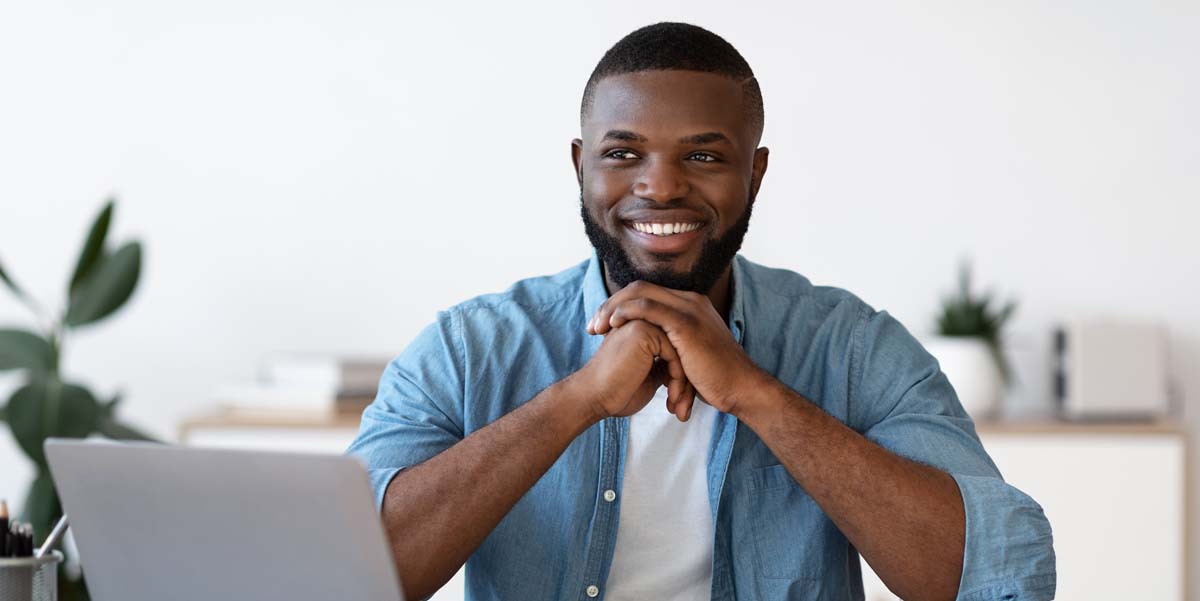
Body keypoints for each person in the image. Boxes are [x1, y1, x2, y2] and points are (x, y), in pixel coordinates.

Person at [347, 22, 1055, 601]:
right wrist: (578, 399)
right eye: (623, 151)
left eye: (705, 156)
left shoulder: (854, 346)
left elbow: (999, 580)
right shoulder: (469, 349)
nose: (660, 186)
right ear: (580, 164)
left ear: (756, 171)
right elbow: (347, 576)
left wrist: (753, 391)